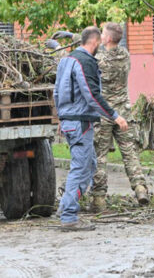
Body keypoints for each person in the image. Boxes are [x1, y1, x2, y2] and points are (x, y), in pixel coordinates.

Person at [54, 26, 129, 231]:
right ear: (94, 42)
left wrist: (61, 117)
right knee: (81, 168)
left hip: (69, 120)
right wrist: (115, 116)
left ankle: (64, 207)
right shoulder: (85, 62)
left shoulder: (65, 60)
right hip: (80, 123)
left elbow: (56, 93)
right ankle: (69, 216)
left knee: (90, 165)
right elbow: (92, 95)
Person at [91, 23, 149, 211]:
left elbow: (87, 52)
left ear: (107, 39)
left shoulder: (99, 59)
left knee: (100, 156)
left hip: (105, 113)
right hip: (123, 112)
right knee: (130, 153)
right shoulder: (125, 55)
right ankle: (140, 189)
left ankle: (99, 198)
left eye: (102, 34)